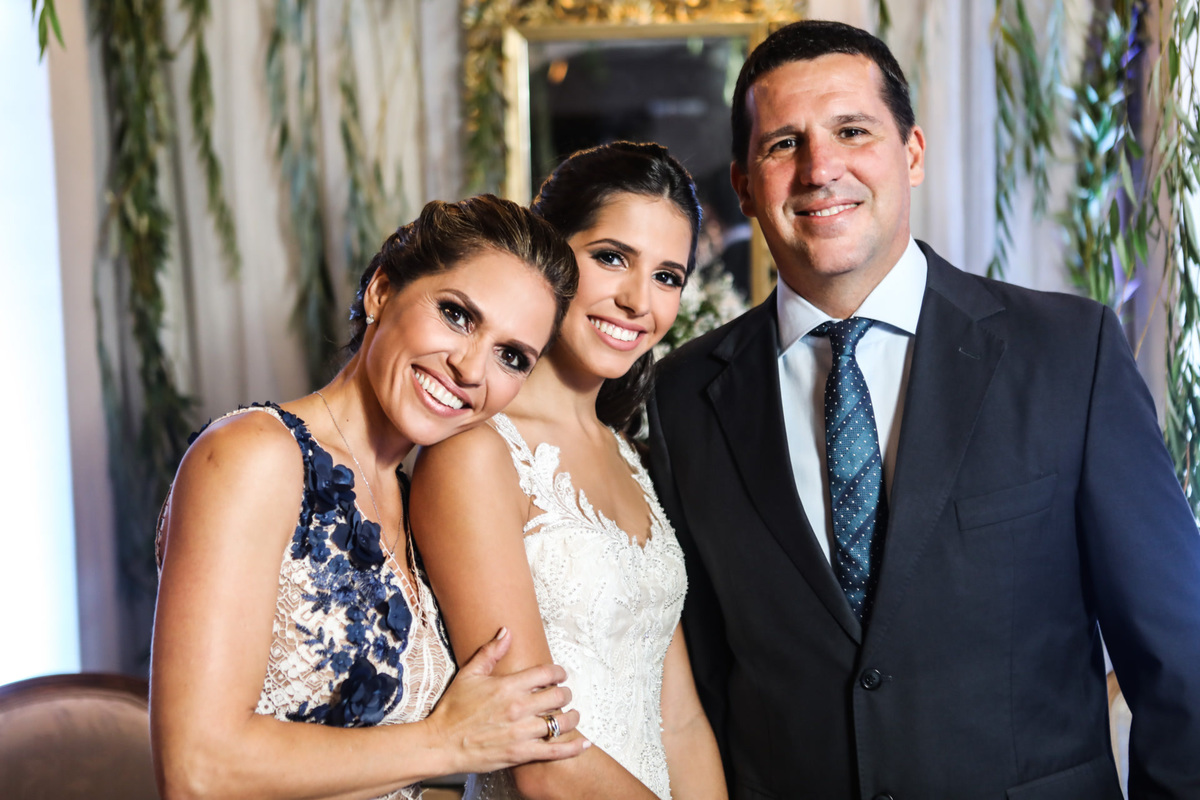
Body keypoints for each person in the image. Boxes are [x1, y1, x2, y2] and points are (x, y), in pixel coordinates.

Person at [647, 19, 1200, 800]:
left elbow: (1180, 658)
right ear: (743, 184)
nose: (820, 169)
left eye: (852, 131)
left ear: (911, 153)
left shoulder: (1069, 353)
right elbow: (699, 689)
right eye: (784, 144)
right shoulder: (683, 397)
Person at [151, 195, 591, 800]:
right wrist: (449, 741)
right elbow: (197, 770)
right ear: (381, 291)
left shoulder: (416, 505)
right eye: (457, 315)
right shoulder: (253, 455)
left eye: (511, 356)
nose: (470, 368)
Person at [411, 142, 727, 800]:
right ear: (553, 254)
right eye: (612, 258)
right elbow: (537, 751)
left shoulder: (629, 456)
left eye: (667, 276)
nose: (638, 300)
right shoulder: (476, 453)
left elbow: (681, 722)